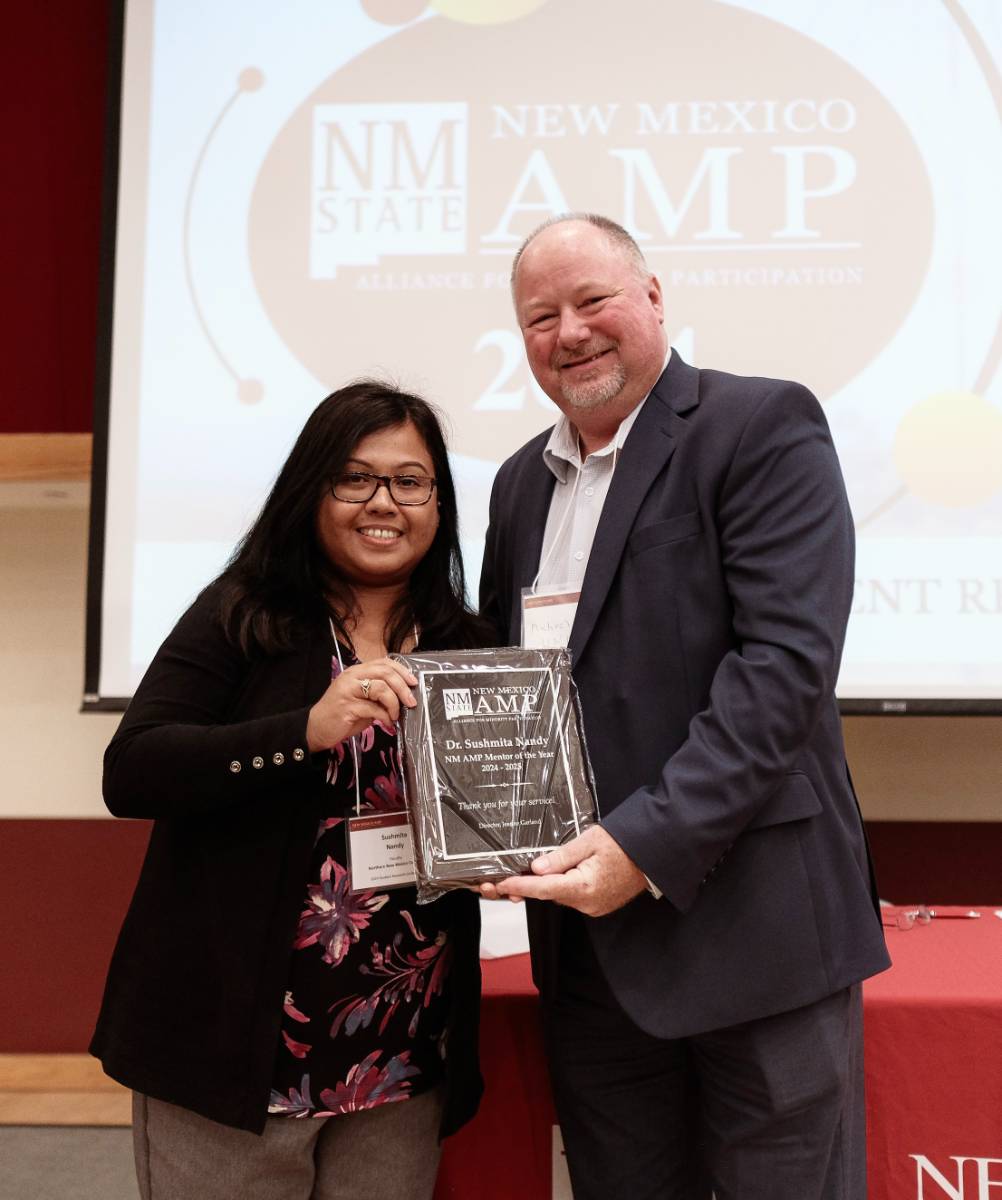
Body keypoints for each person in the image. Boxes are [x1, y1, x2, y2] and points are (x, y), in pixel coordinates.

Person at [478, 214, 891, 1199]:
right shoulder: (516, 488)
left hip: (757, 938)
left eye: (592, 301)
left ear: (654, 298)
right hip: (591, 961)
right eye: (541, 316)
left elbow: (782, 672)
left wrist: (644, 848)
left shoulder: (760, 427)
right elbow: (504, 687)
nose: (569, 331)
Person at [91, 381, 492, 1200]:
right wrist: (302, 732)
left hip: (400, 1049)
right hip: (235, 1047)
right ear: (313, 492)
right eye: (355, 479)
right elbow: (133, 770)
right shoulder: (242, 615)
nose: (384, 503)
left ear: (439, 503)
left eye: (410, 482)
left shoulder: (466, 642)